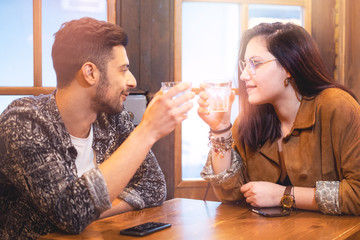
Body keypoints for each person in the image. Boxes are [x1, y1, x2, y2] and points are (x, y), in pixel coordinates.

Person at [0, 17, 195, 239]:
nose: (131, 81)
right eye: (123, 70)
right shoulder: (24, 122)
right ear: (90, 73)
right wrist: (146, 131)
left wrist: (89, 213)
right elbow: (71, 213)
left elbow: (154, 186)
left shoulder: (112, 119)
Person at [198, 22, 360, 215]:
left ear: (289, 66)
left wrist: (284, 195)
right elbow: (229, 194)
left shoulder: (337, 106)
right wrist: (221, 128)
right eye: (243, 65)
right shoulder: (250, 119)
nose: (243, 75)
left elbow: (357, 194)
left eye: (255, 64)